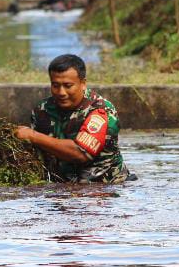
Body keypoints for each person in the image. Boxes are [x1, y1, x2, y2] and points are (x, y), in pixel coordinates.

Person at [15, 54, 133, 184]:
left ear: (83, 84)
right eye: (55, 85)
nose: (61, 92)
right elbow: (34, 157)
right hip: (62, 188)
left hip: (105, 187)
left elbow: (80, 153)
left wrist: (33, 136)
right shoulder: (42, 110)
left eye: (68, 85)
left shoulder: (100, 110)